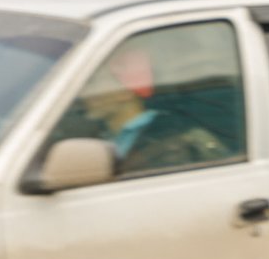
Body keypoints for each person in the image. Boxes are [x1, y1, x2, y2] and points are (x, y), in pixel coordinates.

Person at [77, 45, 231, 174]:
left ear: (125, 92)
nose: (85, 93)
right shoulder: (100, 134)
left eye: (94, 84)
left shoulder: (171, 142)